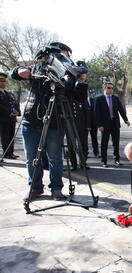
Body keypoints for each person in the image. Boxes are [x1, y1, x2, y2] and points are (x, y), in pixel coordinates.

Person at [10, 42, 80, 201]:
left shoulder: (67, 73)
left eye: (62, 54)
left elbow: (74, 91)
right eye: (53, 54)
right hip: (30, 122)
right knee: (31, 158)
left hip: (55, 123)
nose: (56, 57)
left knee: (55, 158)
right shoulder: (36, 68)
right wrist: (19, 71)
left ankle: (56, 188)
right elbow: (13, 73)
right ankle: (35, 187)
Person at [95, 82, 130, 167]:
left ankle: (116, 159)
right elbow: (97, 113)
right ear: (104, 88)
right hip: (104, 125)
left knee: (116, 143)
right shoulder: (99, 99)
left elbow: (121, 110)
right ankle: (104, 161)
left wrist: (126, 120)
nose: (111, 90)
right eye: (109, 88)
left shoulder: (115, 98)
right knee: (104, 143)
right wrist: (99, 125)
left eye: (112, 88)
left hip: (115, 124)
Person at [68, 73, 91, 171]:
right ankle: (73, 164)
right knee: (71, 146)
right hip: (70, 125)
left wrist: (88, 125)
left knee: (84, 146)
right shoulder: (69, 94)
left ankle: (83, 162)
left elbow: (87, 111)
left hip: (82, 125)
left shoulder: (82, 95)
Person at [0, 72, 20, 159]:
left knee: (11, 137)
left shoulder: (8, 93)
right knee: (5, 137)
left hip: (12, 119)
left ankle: (10, 153)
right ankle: (6, 153)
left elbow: (15, 104)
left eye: (4, 81)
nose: (3, 82)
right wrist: (9, 112)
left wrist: (17, 112)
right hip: (3, 119)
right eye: (1, 81)